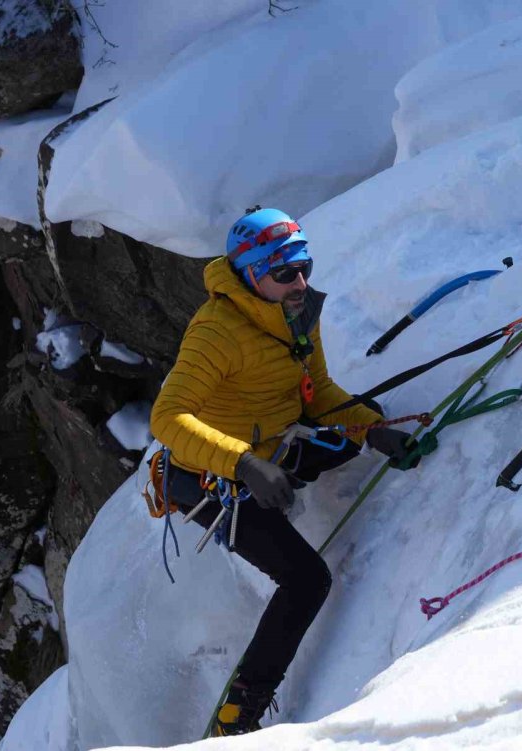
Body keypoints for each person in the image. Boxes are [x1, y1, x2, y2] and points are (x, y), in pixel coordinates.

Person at [150, 206, 416, 736]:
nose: (299, 282)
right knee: (305, 579)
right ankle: (241, 709)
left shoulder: (297, 313)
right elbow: (167, 417)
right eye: (284, 273)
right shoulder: (216, 333)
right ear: (251, 275)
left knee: (355, 432)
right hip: (213, 480)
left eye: (305, 268)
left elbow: (320, 397)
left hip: (273, 448)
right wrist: (243, 465)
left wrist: (370, 430)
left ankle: (295, 474)